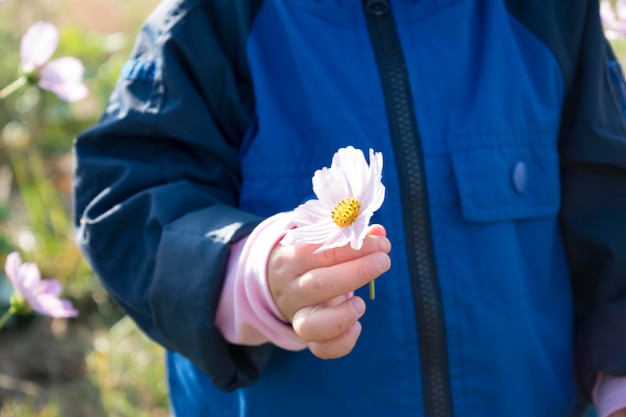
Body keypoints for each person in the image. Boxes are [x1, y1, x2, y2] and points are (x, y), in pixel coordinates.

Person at [72, 0, 626, 416]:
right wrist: (252, 276)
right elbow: (131, 194)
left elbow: (611, 203)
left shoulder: (546, 14)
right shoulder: (215, 21)